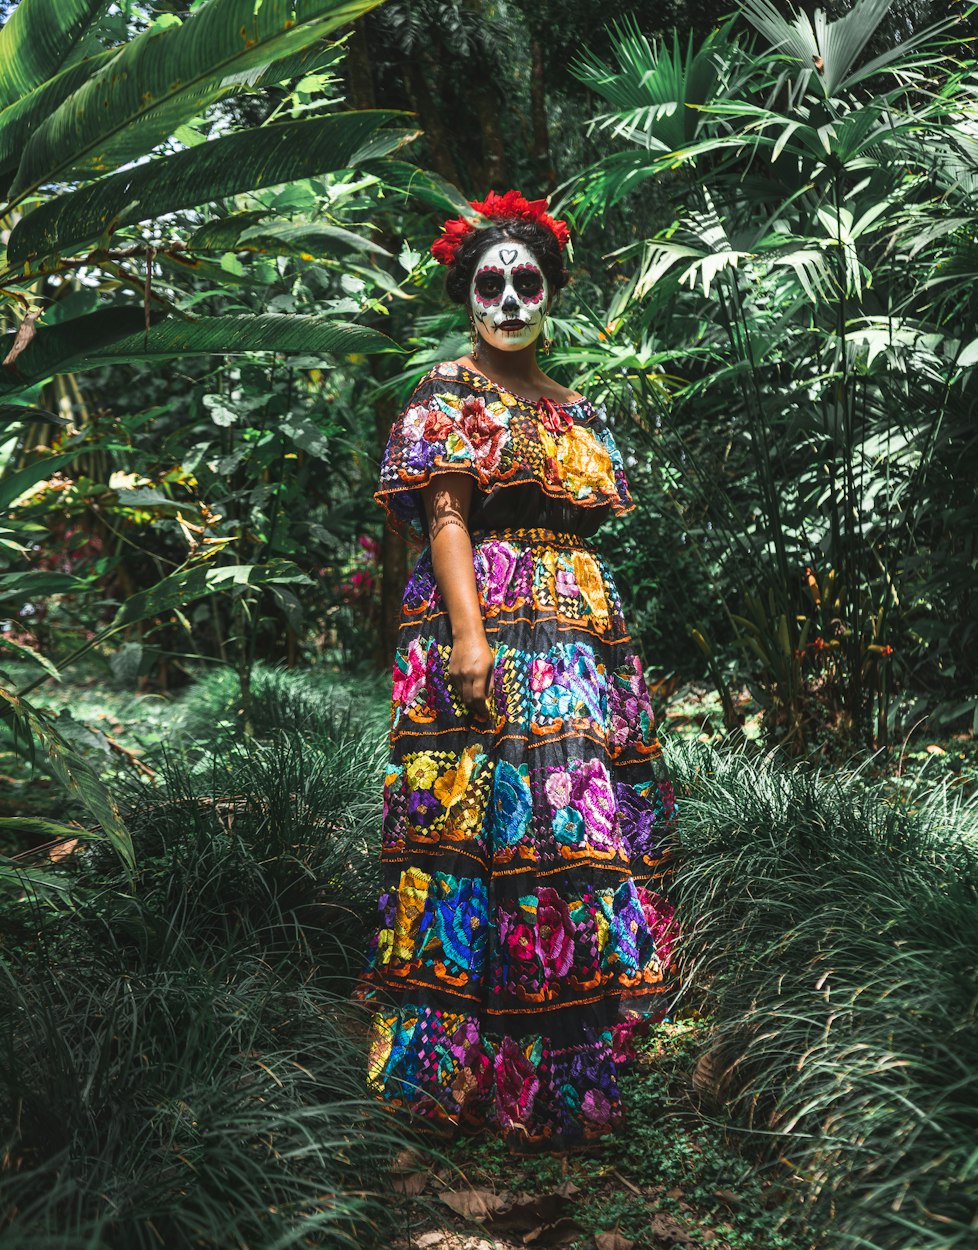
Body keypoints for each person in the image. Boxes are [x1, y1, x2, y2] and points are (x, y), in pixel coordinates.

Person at [355, 190, 680, 1154]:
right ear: (467, 295)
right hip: (488, 615)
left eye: (525, 280)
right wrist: (468, 636)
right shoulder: (448, 392)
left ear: (552, 292)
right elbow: (447, 517)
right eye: (489, 282)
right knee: (483, 822)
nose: (507, 298)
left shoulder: (574, 406)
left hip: (578, 625)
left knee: (568, 826)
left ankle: (572, 1059)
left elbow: (590, 520)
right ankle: (465, 1067)